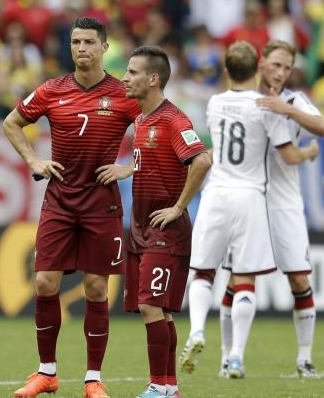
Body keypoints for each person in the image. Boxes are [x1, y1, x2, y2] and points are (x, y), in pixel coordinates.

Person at [2, 17, 141, 398]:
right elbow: (12, 123)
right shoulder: (51, 90)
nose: (82, 49)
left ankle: (93, 378)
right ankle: (47, 373)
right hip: (60, 202)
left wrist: (128, 167)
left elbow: (156, 131)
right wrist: (33, 161)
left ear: (104, 48)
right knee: (45, 282)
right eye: (76, 42)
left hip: (102, 205)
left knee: (96, 289)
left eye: (89, 42)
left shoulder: (123, 93)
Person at [178, 41, 319, 379]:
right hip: (250, 196)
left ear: (226, 71)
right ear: (258, 68)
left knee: (203, 272)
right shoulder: (264, 108)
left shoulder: (213, 103)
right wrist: (309, 152)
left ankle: (197, 329)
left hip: (216, 193)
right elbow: (287, 154)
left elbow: (215, 148)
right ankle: (236, 356)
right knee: (245, 280)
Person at [103, 45, 211, 397]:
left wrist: (180, 207)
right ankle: (169, 389)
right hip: (141, 228)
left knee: (151, 305)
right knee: (159, 311)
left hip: (166, 230)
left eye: (132, 72)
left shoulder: (173, 119)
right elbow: (152, 156)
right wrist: (127, 168)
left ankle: (157, 387)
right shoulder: (141, 118)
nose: (124, 77)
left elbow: (201, 161)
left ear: (153, 78)